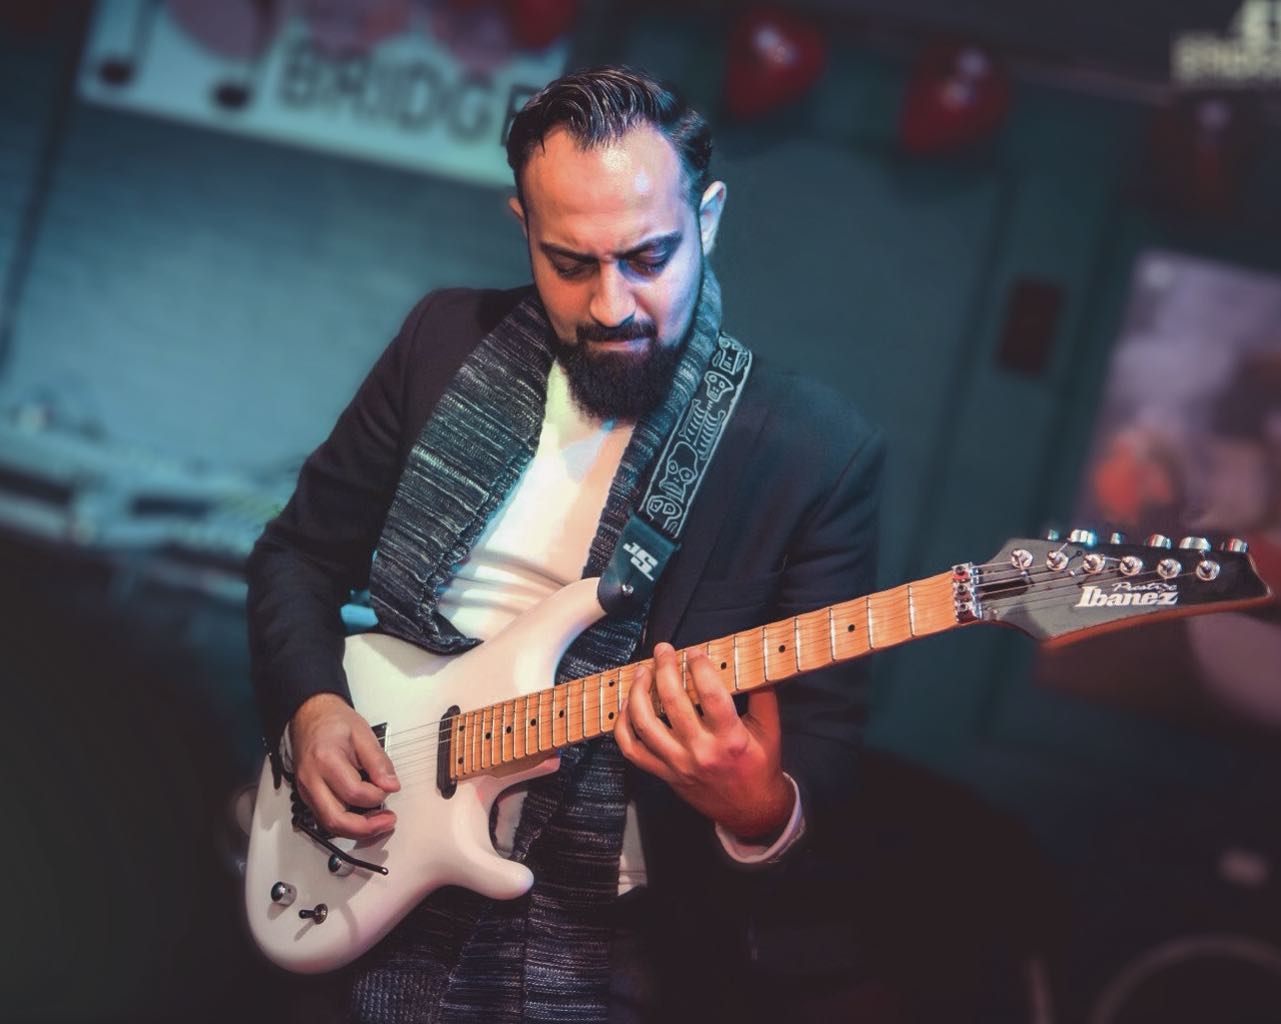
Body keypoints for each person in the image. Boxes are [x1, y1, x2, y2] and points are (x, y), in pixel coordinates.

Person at [248, 65, 886, 1023]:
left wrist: (754, 806)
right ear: (523, 227)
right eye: (571, 263)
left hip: (598, 949)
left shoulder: (810, 452)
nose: (611, 305)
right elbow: (298, 555)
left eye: (648, 258)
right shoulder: (443, 340)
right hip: (350, 863)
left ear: (708, 219)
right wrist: (311, 705)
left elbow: (823, 745)